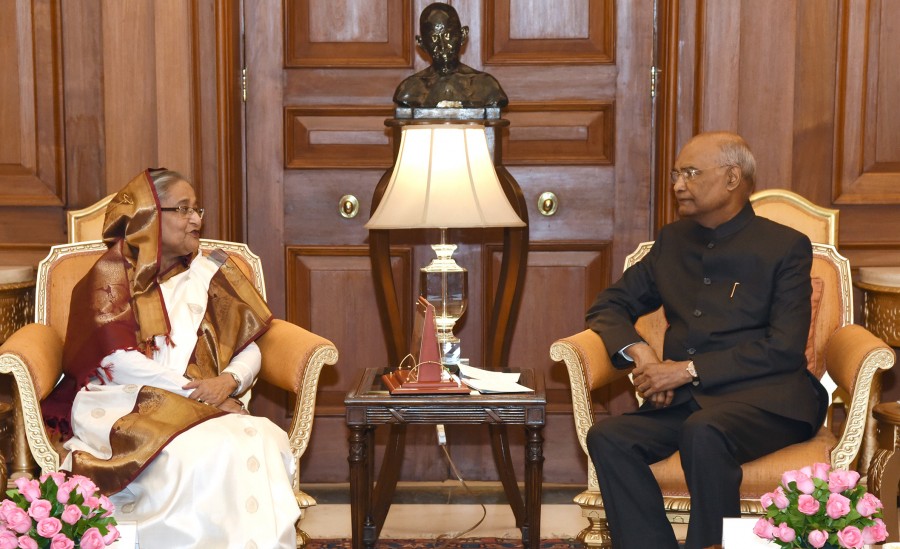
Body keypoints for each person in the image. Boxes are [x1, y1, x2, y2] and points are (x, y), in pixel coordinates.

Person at [584, 132, 827, 549]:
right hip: (689, 403)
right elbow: (609, 304)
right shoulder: (672, 241)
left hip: (769, 401)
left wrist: (685, 371)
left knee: (704, 431)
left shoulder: (784, 247)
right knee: (609, 437)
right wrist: (642, 355)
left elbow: (785, 348)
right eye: (676, 174)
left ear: (732, 178)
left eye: (691, 173)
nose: (679, 184)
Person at [42, 169, 300, 548]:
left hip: (204, 400)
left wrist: (228, 381)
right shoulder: (111, 275)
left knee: (260, 436)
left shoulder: (211, 272)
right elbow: (119, 361)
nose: (196, 220)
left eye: (197, 209)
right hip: (124, 401)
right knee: (197, 452)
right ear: (149, 215)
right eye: (183, 209)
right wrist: (198, 396)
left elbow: (249, 346)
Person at [393, 2, 508, 108]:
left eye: (448, 35)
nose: (442, 46)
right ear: (422, 43)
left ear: (462, 35)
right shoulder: (408, 90)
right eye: (434, 38)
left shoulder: (487, 86)